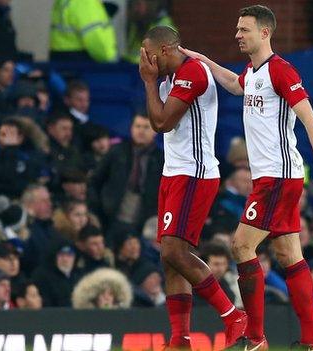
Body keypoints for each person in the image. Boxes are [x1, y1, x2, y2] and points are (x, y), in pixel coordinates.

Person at [179, 5, 313, 349]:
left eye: (244, 29)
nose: (237, 35)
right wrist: (201, 60)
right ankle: (312, 341)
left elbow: (310, 118)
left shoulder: (281, 70)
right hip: (277, 178)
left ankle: (255, 338)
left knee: (240, 245)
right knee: (289, 255)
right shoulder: (252, 71)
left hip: (278, 177)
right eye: (237, 29)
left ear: (264, 32)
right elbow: (235, 85)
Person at [139, 26, 246, 348]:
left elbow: (160, 123)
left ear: (166, 50)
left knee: (175, 251)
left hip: (194, 174)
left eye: (149, 53)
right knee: (169, 258)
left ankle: (233, 315)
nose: (145, 60)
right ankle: (180, 339)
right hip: (174, 173)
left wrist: (148, 81)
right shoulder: (172, 78)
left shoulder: (193, 73)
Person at [90, 113, 162, 236]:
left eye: (146, 127)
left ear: (155, 130)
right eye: (137, 126)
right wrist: (97, 207)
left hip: (145, 215)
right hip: (111, 213)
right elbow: (95, 180)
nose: (141, 131)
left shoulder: (161, 158)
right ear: (131, 128)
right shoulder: (117, 151)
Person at [50, 0, 118, 62]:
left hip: (63, 59)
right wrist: (112, 61)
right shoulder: (85, 2)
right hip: (82, 63)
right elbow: (95, 39)